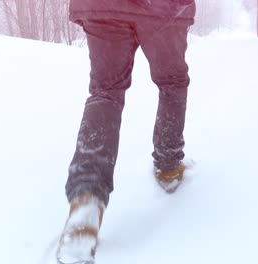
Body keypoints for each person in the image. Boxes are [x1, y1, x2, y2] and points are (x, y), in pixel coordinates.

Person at [55, 1, 195, 263]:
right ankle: (168, 165)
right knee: (172, 83)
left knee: (105, 92)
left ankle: (87, 202)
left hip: (103, 6)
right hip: (163, 8)